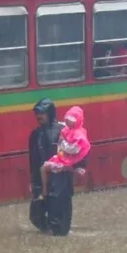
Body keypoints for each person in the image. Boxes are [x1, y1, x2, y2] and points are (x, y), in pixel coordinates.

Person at [28, 99, 86, 236]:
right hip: (42, 178)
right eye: (36, 112)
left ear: (50, 113)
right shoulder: (35, 134)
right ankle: (49, 232)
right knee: (36, 215)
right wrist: (33, 181)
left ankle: (59, 233)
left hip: (60, 178)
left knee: (59, 217)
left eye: (41, 112)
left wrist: (79, 166)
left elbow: (79, 148)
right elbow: (33, 159)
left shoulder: (63, 131)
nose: (38, 115)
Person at [37, 106, 91, 202]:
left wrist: (62, 143)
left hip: (69, 161)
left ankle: (45, 193)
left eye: (70, 120)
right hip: (64, 159)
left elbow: (73, 149)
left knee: (45, 169)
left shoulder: (79, 135)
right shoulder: (69, 129)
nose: (67, 122)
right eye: (67, 119)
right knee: (44, 169)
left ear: (76, 121)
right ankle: (45, 192)